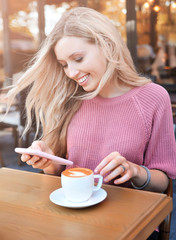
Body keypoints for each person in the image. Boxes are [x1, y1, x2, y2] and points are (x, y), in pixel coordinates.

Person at [7, 7, 175, 193]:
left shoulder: (154, 98)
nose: (71, 73)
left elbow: (164, 183)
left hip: (129, 217)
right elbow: (60, 176)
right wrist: (50, 164)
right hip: (73, 212)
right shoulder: (69, 98)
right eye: (64, 65)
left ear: (107, 45)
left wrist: (135, 171)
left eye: (78, 59)